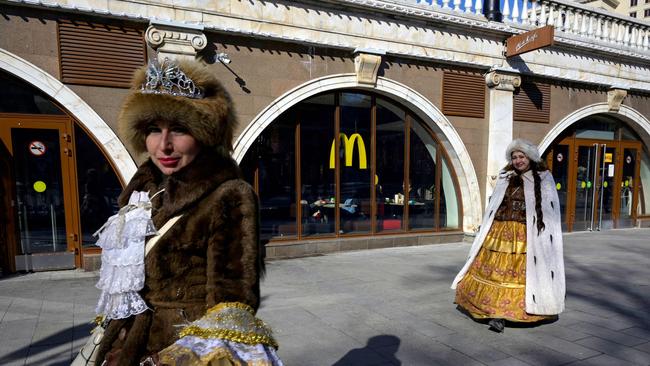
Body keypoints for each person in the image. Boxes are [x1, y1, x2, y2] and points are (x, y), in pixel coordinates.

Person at [92, 58, 280, 365]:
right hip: (130, 344)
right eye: (154, 129)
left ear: (205, 134)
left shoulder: (229, 195)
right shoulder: (143, 191)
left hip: (183, 346)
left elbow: (231, 306)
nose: (163, 145)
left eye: (179, 129)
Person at [451, 139, 565, 333]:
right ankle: (495, 314)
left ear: (530, 158)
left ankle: (528, 308)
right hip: (499, 232)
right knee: (495, 272)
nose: (518, 161)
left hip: (526, 236)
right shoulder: (506, 177)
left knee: (520, 275)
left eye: (521, 157)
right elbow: (495, 204)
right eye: (514, 157)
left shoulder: (544, 178)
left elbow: (549, 210)